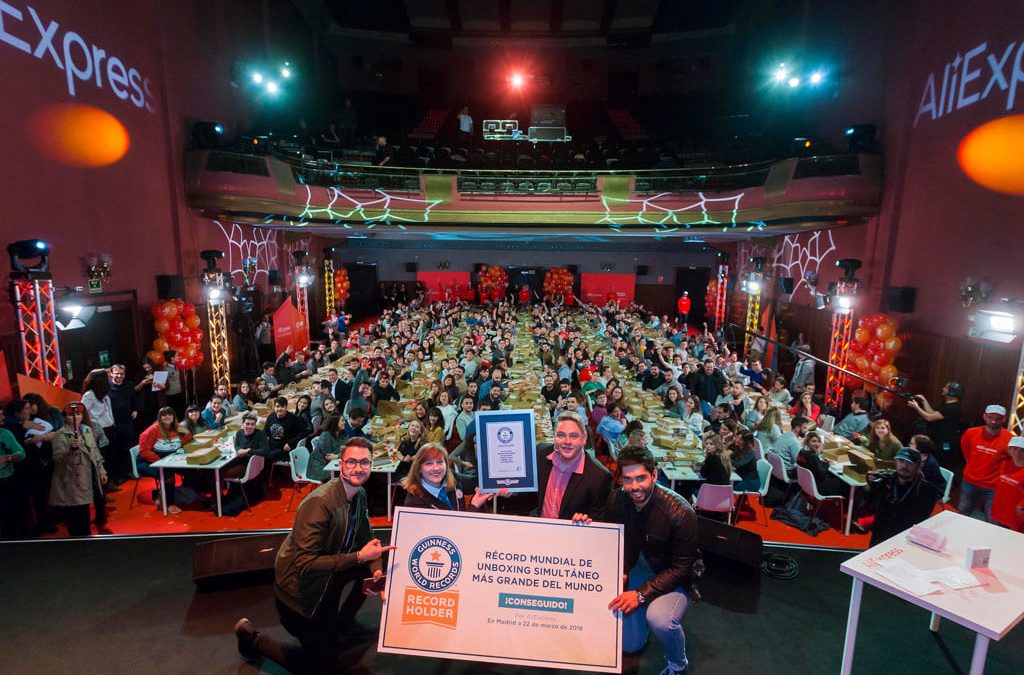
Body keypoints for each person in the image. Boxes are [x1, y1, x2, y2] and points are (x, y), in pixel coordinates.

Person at [234, 437, 396, 674]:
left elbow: (367, 540)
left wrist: (376, 572)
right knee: (323, 669)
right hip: (299, 596)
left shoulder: (358, 494)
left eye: (364, 462)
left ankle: (343, 624)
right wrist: (360, 557)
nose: (358, 468)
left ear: (372, 466)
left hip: (329, 575)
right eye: (351, 461)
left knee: (384, 558)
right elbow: (305, 564)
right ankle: (253, 639)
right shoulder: (319, 503)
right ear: (341, 465)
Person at [595, 445, 701, 675]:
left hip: (672, 576)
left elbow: (682, 568)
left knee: (660, 620)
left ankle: (678, 664)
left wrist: (641, 595)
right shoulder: (617, 498)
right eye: (628, 479)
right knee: (631, 645)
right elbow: (609, 536)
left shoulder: (681, 512)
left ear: (654, 475)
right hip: (637, 568)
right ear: (621, 479)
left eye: (641, 478)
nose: (634, 487)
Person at [535, 412, 613, 521]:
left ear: (584, 438)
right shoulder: (541, 453)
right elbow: (533, 496)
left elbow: (599, 521)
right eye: (561, 435)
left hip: (570, 535)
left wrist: (586, 522)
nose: (567, 441)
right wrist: (514, 490)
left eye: (573, 436)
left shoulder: (599, 477)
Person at [50, 403, 108, 536]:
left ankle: (86, 541)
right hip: (70, 480)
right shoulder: (60, 434)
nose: (76, 417)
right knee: (75, 515)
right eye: (71, 415)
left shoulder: (87, 430)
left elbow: (95, 452)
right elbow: (58, 459)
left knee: (85, 512)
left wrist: (101, 470)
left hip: (88, 475)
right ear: (65, 417)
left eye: (78, 414)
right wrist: (70, 449)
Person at [867, 448, 941, 546]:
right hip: (880, 532)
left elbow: (918, 520)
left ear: (918, 466)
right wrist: (869, 484)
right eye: (901, 461)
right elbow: (869, 505)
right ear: (895, 462)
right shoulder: (885, 481)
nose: (905, 466)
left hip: (905, 538)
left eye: (910, 463)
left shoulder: (927, 490)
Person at [402, 443, 497, 511]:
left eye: (440, 462)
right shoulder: (414, 502)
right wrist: (474, 506)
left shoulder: (452, 478)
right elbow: (449, 533)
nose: (436, 468)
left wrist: (504, 486)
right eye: (429, 463)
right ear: (418, 468)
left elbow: (478, 483)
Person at [958, 404, 1013, 521]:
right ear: (984, 416)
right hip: (970, 481)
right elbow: (966, 452)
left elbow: (1012, 461)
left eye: (998, 418)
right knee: (962, 513)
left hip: (993, 486)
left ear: (1004, 419)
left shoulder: (1010, 439)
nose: (993, 421)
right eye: (990, 417)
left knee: (993, 519)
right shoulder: (971, 433)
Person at [137, 406, 186, 514]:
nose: (167, 417)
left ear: (174, 416)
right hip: (148, 461)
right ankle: (168, 503)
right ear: (160, 417)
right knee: (167, 473)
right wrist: (160, 461)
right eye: (164, 415)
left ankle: (190, 493)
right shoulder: (152, 430)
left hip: (168, 459)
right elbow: (144, 451)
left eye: (169, 414)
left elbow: (188, 437)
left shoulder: (178, 427)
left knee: (190, 469)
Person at [907, 381, 964, 469]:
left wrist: (916, 407)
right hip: (937, 439)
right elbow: (932, 413)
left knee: (941, 462)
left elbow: (929, 418)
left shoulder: (953, 407)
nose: (943, 389)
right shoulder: (946, 405)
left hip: (945, 442)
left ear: (952, 392)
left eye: (946, 388)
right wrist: (924, 400)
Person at [81, 369, 116, 490]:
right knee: (102, 458)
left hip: (110, 427)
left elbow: (108, 410)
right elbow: (83, 412)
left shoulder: (104, 393)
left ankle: (110, 482)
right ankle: (103, 487)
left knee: (111, 456)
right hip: (99, 431)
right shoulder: (89, 395)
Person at [0, 416, 27, 539]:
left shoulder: (5, 434)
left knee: (7, 517)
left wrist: (8, 457)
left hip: (5, 480)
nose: (2, 417)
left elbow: (21, 453)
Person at [796, 432, 845, 496]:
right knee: (843, 483)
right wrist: (828, 464)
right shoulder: (812, 456)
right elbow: (821, 474)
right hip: (817, 487)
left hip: (806, 484)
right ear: (807, 442)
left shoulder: (802, 452)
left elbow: (813, 465)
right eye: (814, 441)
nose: (817, 444)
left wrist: (823, 463)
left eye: (819, 442)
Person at [992, 437, 1024, 531]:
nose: (1017, 453)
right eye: (1014, 448)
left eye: (1022, 450)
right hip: (997, 513)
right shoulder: (1003, 464)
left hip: (1015, 518)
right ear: (1009, 450)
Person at [265, 398, 307, 463]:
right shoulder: (271, 417)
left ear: (286, 407)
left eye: (282, 406)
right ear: (274, 407)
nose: (279, 409)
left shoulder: (293, 419)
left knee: (267, 456)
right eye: (277, 406)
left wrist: (291, 444)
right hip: (271, 446)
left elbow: (304, 432)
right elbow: (266, 432)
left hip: (284, 449)